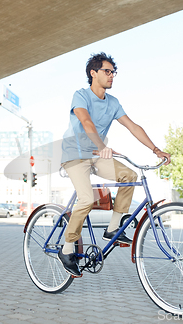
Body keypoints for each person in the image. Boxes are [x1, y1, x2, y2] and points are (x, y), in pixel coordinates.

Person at [58, 52, 171, 276]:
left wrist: (156, 149)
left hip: (97, 153)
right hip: (75, 154)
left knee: (129, 176)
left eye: (113, 72)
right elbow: (86, 121)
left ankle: (112, 229)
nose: (111, 76)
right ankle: (67, 247)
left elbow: (133, 126)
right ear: (93, 73)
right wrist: (101, 146)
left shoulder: (113, 102)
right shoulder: (80, 95)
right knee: (87, 199)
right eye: (107, 71)